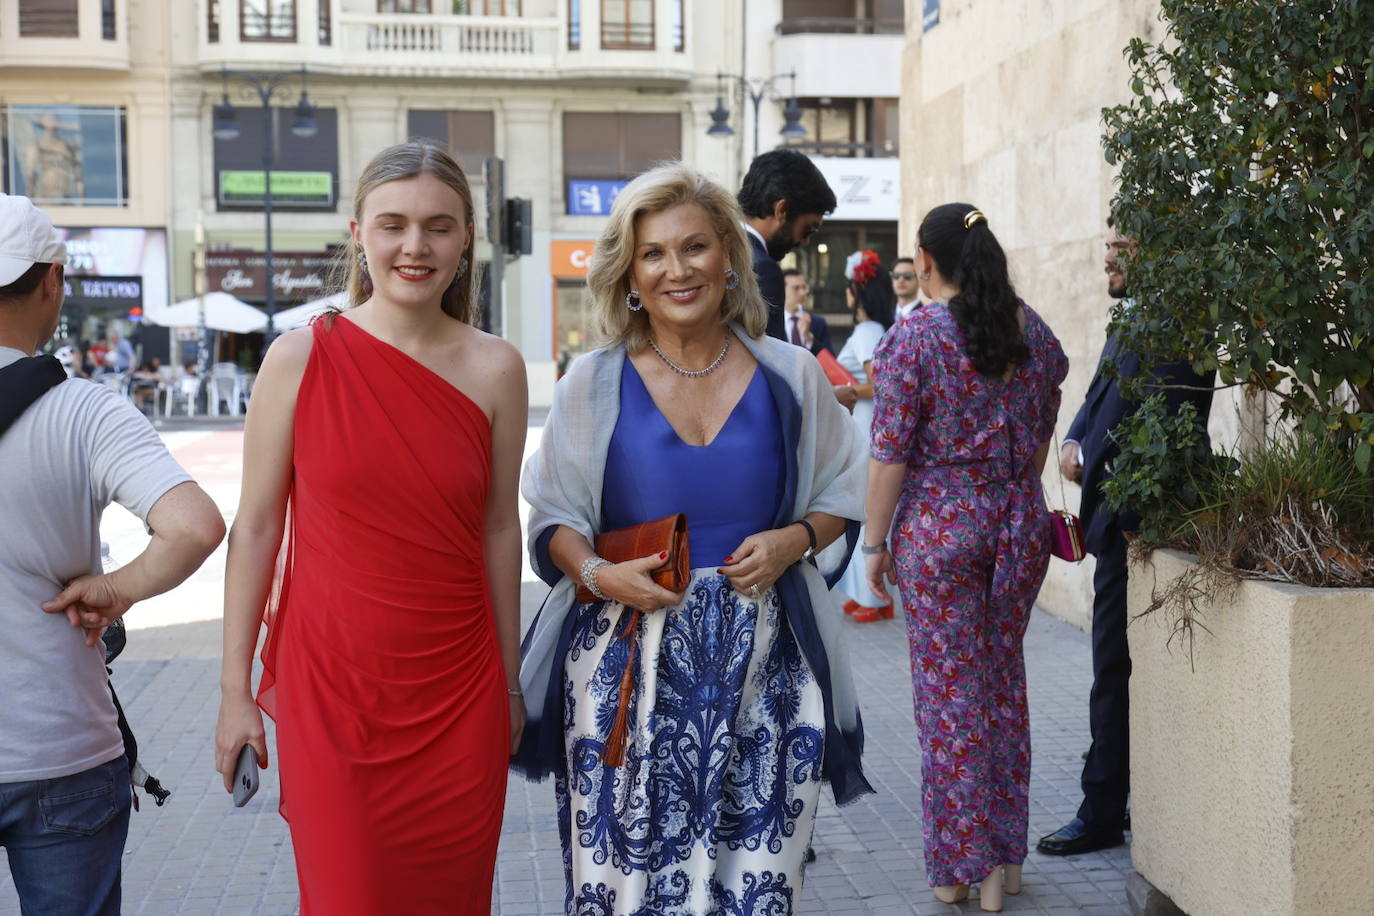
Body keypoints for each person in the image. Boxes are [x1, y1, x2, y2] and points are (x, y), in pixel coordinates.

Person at [516, 162, 870, 913]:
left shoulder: (791, 374)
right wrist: (597, 574)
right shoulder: (593, 379)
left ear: (729, 258)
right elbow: (551, 519)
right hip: (624, 670)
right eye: (653, 254)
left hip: (769, 668)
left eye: (695, 247)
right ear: (630, 277)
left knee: (757, 888)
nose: (677, 269)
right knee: (628, 885)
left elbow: (845, 488)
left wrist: (794, 541)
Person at [214, 141, 527, 915]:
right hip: (335, 697)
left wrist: (512, 684)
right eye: (393, 225)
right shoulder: (297, 360)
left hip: (461, 696)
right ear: (358, 233)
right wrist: (233, 692)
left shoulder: (498, 368)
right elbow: (253, 529)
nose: (414, 247)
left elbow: (497, 531)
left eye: (438, 227)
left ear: (466, 242)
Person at [0, 192, 224, 916]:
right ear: (52, 283)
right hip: (60, 746)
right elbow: (193, 527)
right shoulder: (85, 411)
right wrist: (115, 589)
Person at [864, 204, 1068, 912]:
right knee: (1002, 687)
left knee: (949, 701)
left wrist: (872, 542)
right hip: (1017, 525)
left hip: (938, 532)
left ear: (924, 259)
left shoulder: (914, 338)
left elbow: (889, 451)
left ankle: (960, 871)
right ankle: (1004, 863)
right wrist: (1013, 486)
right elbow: (1042, 427)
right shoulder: (1029, 330)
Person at [1035, 219, 1215, 858]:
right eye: (1109, 244)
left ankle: (1104, 809)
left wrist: (1109, 489)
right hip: (1113, 524)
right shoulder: (1137, 316)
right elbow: (1097, 397)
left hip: (1137, 525)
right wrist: (1079, 438)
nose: (1106, 256)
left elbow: (1169, 425)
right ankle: (1116, 799)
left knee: (1112, 669)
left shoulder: (1176, 323)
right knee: (1112, 667)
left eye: (1122, 247)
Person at [832, 250, 898, 622]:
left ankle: (875, 598)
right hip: (865, 425)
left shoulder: (867, 331)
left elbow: (881, 384)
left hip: (867, 427)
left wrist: (845, 389)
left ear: (856, 292)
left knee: (865, 509)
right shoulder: (875, 330)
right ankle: (868, 595)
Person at [737, 149, 837, 340]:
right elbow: (770, 362)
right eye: (809, 229)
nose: (805, 241)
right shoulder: (762, 268)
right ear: (781, 210)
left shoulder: (717, 248)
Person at [781, 268, 832, 355]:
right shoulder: (773, 324)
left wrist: (809, 338)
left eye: (804, 288)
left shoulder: (818, 323)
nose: (803, 293)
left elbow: (829, 360)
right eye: (796, 288)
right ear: (782, 291)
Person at [892, 256, 924, 322]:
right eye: (896, 276)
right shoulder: (882, 316)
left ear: (919, 280)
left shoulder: (925, 317)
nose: (901, 280)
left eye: (908, 276)